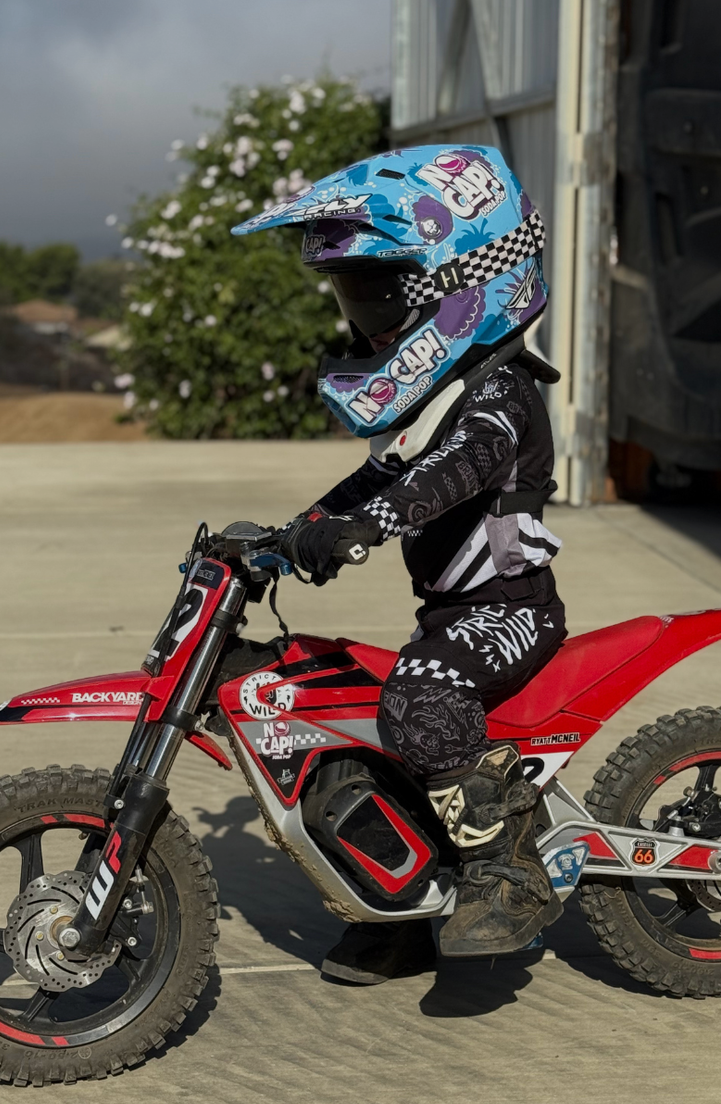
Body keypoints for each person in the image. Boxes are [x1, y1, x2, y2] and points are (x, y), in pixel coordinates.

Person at [232, 145, 567, 984]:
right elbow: (374, 476)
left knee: (419, 702)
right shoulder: (441, 392)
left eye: (378, 291)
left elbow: (445, 477)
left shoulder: (500, 395)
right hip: (453, 616)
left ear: (459, 287)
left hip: (511, 610)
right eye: (356, 293)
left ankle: (507, 874)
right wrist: (289, 534)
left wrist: (364, 530)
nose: (364, 316)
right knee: (350, 715)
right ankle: (414, 905)